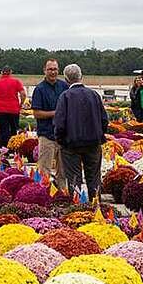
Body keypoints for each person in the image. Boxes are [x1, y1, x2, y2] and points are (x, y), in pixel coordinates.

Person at [54, 64, 108, 198]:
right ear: (81, 76)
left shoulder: (65, 96)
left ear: (66, 79)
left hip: (71, 145)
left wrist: (61, 140)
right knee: (94, 179)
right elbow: (104, 120)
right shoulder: (94, 95)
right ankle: (96, 208)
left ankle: (78, 210)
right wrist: (99, 135)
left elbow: (59, 123)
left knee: (74, 179)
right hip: (93, 143)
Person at [31, 59, 69, 188]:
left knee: (63, 171)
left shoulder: (64, 86)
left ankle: (62, 195)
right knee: (44, 170)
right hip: (47, 134)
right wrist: (56, 113)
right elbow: (36, 113)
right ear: (44, 71)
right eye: (50, 69)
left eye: (55, 69)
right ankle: (43, 194)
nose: (53, 72)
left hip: (63, 135)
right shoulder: (39, 89)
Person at [0, 66, 26, 147]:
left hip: (1, 110)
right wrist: (21, 104)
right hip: (14, 110)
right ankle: (14, 147)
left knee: (4, 130)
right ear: (11, 72)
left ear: (1, 72)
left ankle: (5, 149)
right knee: (14, 130)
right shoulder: (16, 82)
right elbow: (23, 94)